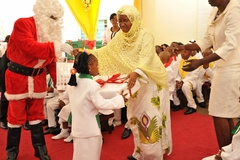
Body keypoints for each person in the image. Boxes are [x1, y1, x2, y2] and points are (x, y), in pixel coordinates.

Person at [92, 5, 172, 160]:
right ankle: (139, 152)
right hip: (134, 82)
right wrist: (89, 55)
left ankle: (153, 155)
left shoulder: (145, 35)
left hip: (151, 81)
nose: (122, 24)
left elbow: (147, 56)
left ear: (133, 19)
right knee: (135, 116)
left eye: (125, 20)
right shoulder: (122, 36)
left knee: (149, 116)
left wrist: (137, 71)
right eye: (119, 21)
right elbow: (108, 51)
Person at [4, 0, 73, 159]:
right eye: (51, 17)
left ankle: (40, 150)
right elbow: (29, 46)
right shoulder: (22, 24)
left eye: (56, 19)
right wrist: (56, 47)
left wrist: (61, 84)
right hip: (18, 78)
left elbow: (52, 63)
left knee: (36, 116)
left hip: (38, 80)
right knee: (15, 117)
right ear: (41, 14)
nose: (53, 22)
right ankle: (12, 152)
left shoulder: (49, 36)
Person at [178, 0, 240, 149]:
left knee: (219, 112)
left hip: (233, 68)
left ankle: (225, 154)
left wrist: (200, 62)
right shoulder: (214, 13)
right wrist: (184, 47)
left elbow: (230, 44)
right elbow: (206, 40)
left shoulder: (235, 10)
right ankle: (229, 152)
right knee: (223, 112)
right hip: (222, 68)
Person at [66, 52, 126, 160]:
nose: (98, 68)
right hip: (90, 129)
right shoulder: (92, 85)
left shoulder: (73, 82)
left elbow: (67, 97)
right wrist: (120, 99)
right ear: (90, 66)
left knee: (79, 155)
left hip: (77, 128)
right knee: (91, 156)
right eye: (96, 65)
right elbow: (102, 104)